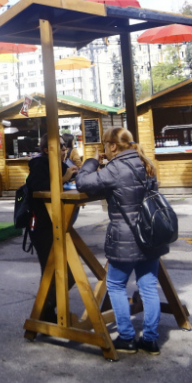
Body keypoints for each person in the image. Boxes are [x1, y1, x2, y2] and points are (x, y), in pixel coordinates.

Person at [75, 127, 168, 356]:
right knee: (148, 287)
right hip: (151, 237)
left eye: (106, 145)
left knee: (116, 285)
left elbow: (82, 183)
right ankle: (150, 340)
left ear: (113, 146)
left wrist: (91, 161)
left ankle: (126, 338)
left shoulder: (115, 168)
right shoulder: (146, 163)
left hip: (125, 239)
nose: (105, 150)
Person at [25, 135, 79, 322]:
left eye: (66, 146)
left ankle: (45, 313)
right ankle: (44, 312)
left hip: (57, 225)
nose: (65, 150)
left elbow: (77, 177)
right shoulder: (39, 164)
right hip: (42, 226)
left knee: (62, 273)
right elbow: (38, 188)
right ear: (48, 150)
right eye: (62, 147)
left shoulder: (61, 164)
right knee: (56, 272)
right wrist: (65, 178)